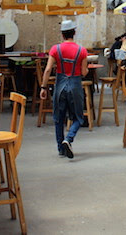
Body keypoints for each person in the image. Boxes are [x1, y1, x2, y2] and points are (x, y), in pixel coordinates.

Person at [40, 20, 88, 159]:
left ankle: (61, 148)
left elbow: (48, 69)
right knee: (78, 118)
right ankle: (69, 138)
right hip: (75, 85)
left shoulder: (55, 49)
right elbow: (84, 72)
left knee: (58, 118)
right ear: (74, 32)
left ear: (62, 34)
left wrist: (43, 87)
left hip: (60, 85)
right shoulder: (82, 50)